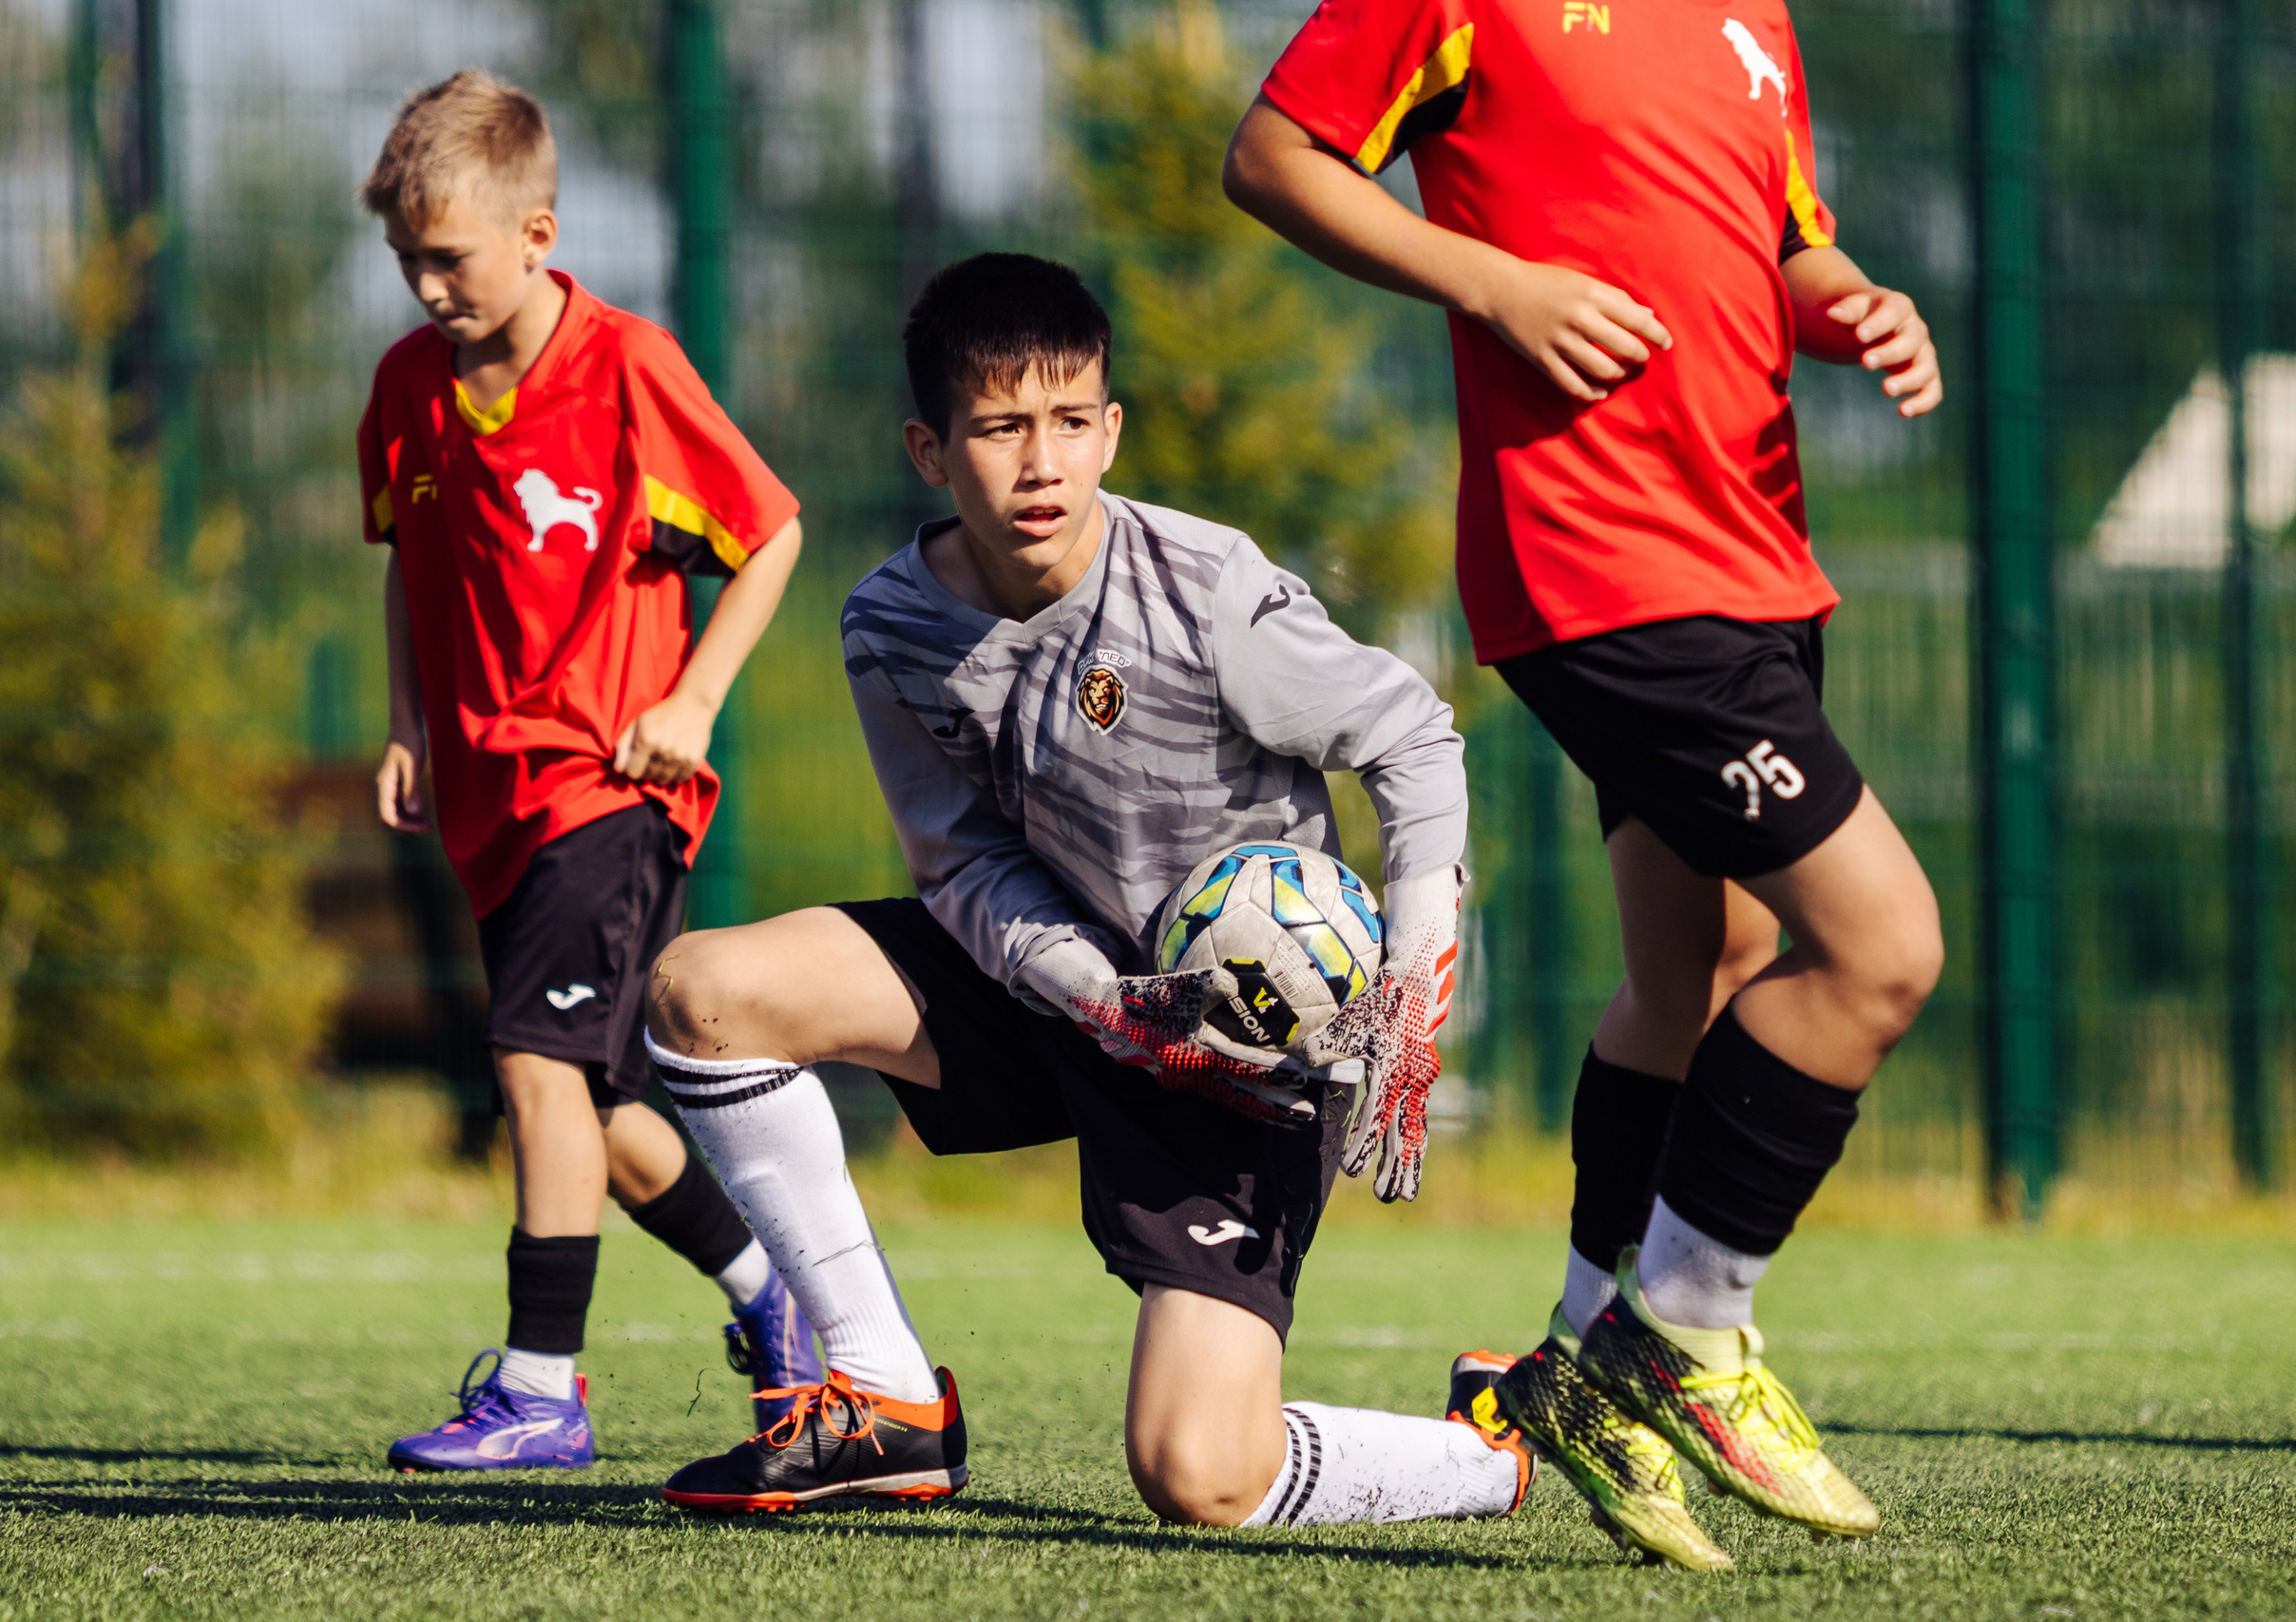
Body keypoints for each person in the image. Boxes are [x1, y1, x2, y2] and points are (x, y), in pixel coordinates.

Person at [1223, 0, 1947, 1570]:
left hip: (1755, 560)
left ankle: (1569, 1358)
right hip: (1609, 568)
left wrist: (1857, 305)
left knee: (1708, 965)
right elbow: (1273, 155)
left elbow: (1786, 245)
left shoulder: (1756, 21)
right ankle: (1675, 1335)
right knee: (1880, 945)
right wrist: (1495, 284)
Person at [642, 252, 1534, 1527]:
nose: (1042, 462)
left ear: (1112, 432)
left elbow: (1413, 737)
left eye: (1070, 422)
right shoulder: (890, 623)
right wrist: (1103, 998)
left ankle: (1490, 1448)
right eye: (1001, 427)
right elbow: (958, 861)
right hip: (1059, 984)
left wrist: (1414, 980)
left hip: (1244, 1046)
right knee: (703, 991)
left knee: (1200, 1477)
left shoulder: (1207, 593)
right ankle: (884, 1402)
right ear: (931, 449)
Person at [355, 69, 818, 1471]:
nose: (427, 284)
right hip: (492, 800)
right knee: (600, 1115)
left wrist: (691, 697)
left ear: (538, 233)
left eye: (451, 256)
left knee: (533, 1068)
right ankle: (776, 1303)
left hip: (610, 788)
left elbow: (774, 531)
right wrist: (408, 723)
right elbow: (407, 576)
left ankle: (541, 1387)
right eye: (405, 259)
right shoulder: (407, 393)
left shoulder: (625, 368)